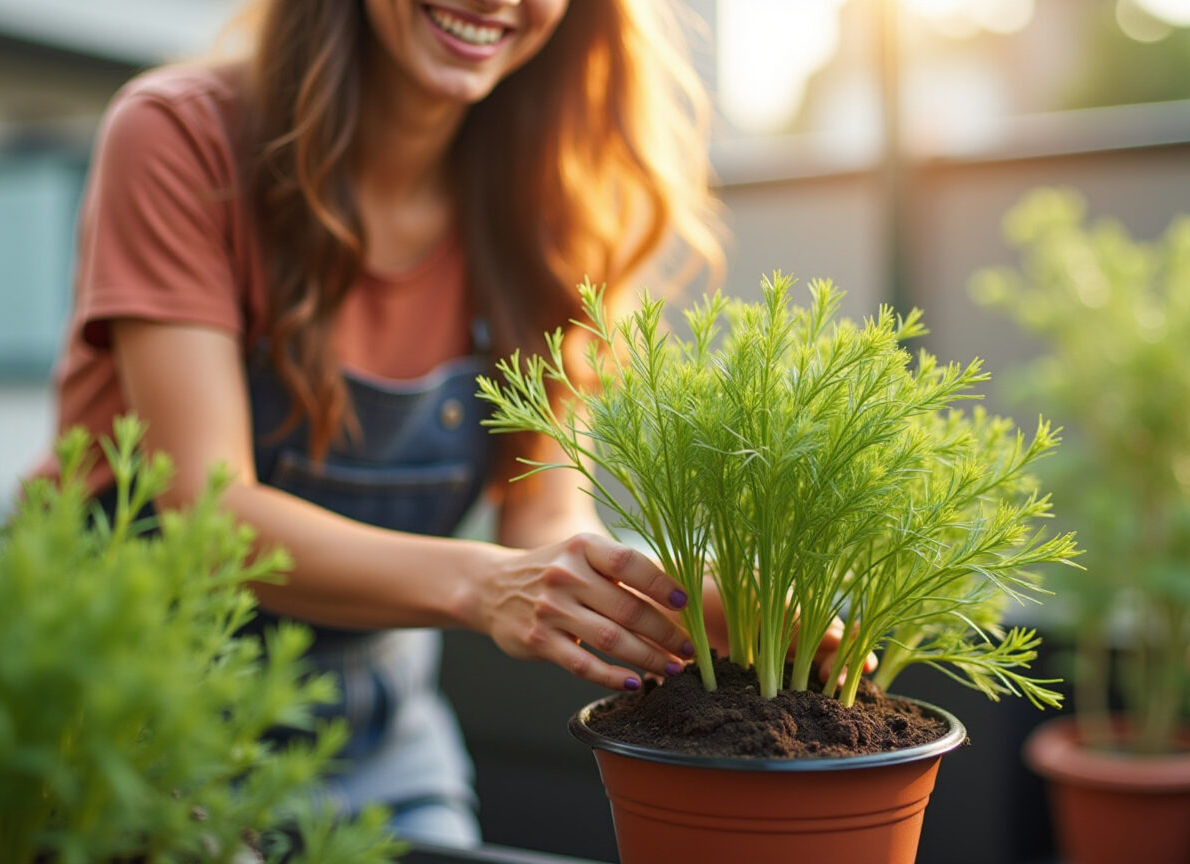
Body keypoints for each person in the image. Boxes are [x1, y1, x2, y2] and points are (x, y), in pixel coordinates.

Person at [40, 0, 723, 847]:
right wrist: (480, 586)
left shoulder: (546, 202)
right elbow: (207, 518)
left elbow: (544, 517)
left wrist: (681, 599)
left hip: (375, 736)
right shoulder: (181, 139)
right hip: (141, 720)